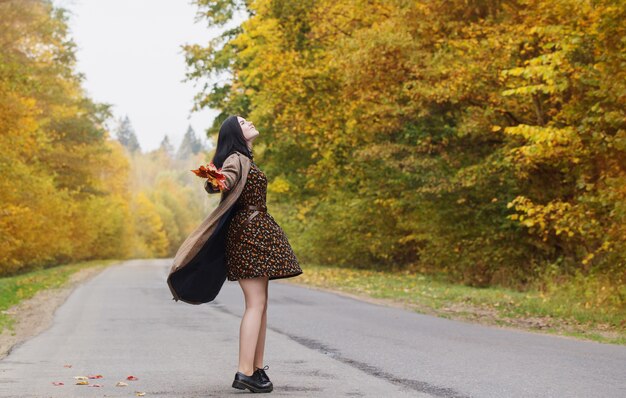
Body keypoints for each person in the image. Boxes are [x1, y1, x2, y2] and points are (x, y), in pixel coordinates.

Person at [207, 115, 303, 393]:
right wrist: (216, 180)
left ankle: (256, 368)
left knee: (260, 304)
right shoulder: (235, 158)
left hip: (254, 231)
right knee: (255, 303)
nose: (249, 122)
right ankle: (244, 371)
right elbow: (224, 180)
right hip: (248, 234)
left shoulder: (245, 157)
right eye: (243, 122)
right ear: (235, 133)